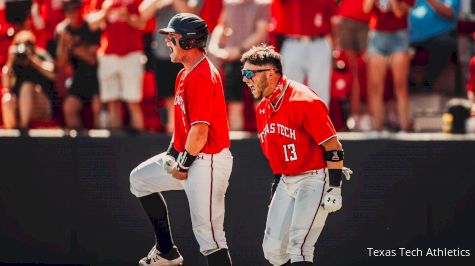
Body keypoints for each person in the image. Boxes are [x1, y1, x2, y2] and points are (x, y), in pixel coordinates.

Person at [129, 13, 233, 266]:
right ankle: (166, 251)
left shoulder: (202, 75)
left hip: (207, 162)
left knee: (210, 239)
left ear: (188, 42)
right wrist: (172, 155)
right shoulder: (184, 74)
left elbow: (199, 133)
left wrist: (182, 165)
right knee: (139, 179)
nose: (167, 42)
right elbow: (183, 129)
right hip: (190, 157)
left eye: (172, 38)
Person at [240, 44, 351, 265]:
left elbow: (333, 145)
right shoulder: (263, 108)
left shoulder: (304, 100)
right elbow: (276, 157)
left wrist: (335, 187)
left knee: (299, 247)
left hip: (314, 177)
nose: (245, 79)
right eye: (244, 73)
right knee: (272, 250)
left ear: (270, 74)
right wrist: (277, 185)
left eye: (249, 73)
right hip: (286, 180)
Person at [139, 0, 204, 133]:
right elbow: (143, 13)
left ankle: (190, 130)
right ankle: (173, 130)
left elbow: (190, 15)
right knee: (169, 95)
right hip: (163, 52)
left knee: (190, 95)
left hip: (187, 52)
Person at [88, 0, 145, 131]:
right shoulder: (103, 2)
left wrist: (127, 17)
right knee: (112, 102)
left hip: (132, 54)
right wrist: (104, 12)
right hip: (108, 54)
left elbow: (142, 23)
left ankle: (141, 144)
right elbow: (91, 23)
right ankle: (116, 144)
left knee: (133, 102)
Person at [270, 0, 337, 106]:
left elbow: (333, 19)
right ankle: (293, 123)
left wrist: (334, 49)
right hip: (292, 42)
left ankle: (318, 122)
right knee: (291, 92)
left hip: (319, 42)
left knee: (319, 93)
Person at [363, 0, 415, 131]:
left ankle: (404, 127)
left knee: (400, 85)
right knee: (375, 86)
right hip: (377, 35)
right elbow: (366, 8)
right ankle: (377, 127)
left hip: (399, 36)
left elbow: (398, 12)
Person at [56, 0, 102, 129]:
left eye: (74, 9)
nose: (72, 13)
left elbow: (93, 59)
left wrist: (74, 47)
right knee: (69, 107)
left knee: (97, 108)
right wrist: (63, 44)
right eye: (68, 10)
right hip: (79, 78)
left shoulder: (90, 26)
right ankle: (80, 145)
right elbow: (61, 62)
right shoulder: (62, 30)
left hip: (96, 78)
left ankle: (101, 146)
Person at [1, 30, 56, 129]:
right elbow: (5, 85)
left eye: (27, 44)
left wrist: (33, 61)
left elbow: (53, 74)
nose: (24, 49)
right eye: (20, 45)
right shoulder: (15, 60)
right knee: (7, 99)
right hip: (20, 106)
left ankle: (23, 128)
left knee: (27, 86)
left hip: (40, 104)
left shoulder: (40, 55)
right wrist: (10, 61)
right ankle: (11, 133)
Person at [409, 0, 461, 93]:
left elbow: (449, 12)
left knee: (445, 44)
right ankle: (409, 83)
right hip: (410, 37)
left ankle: (426, 84)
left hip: (437, 36)